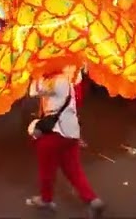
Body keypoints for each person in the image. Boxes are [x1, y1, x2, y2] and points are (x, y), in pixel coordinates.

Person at [25, 66, 104, 216]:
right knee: (74, 170)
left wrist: (34, 73)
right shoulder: (66, 79)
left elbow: (34, 90)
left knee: (47, 171)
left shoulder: (56, 81)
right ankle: (92, 200)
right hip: (71, 134)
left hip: (54, 133)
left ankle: (46, 200)